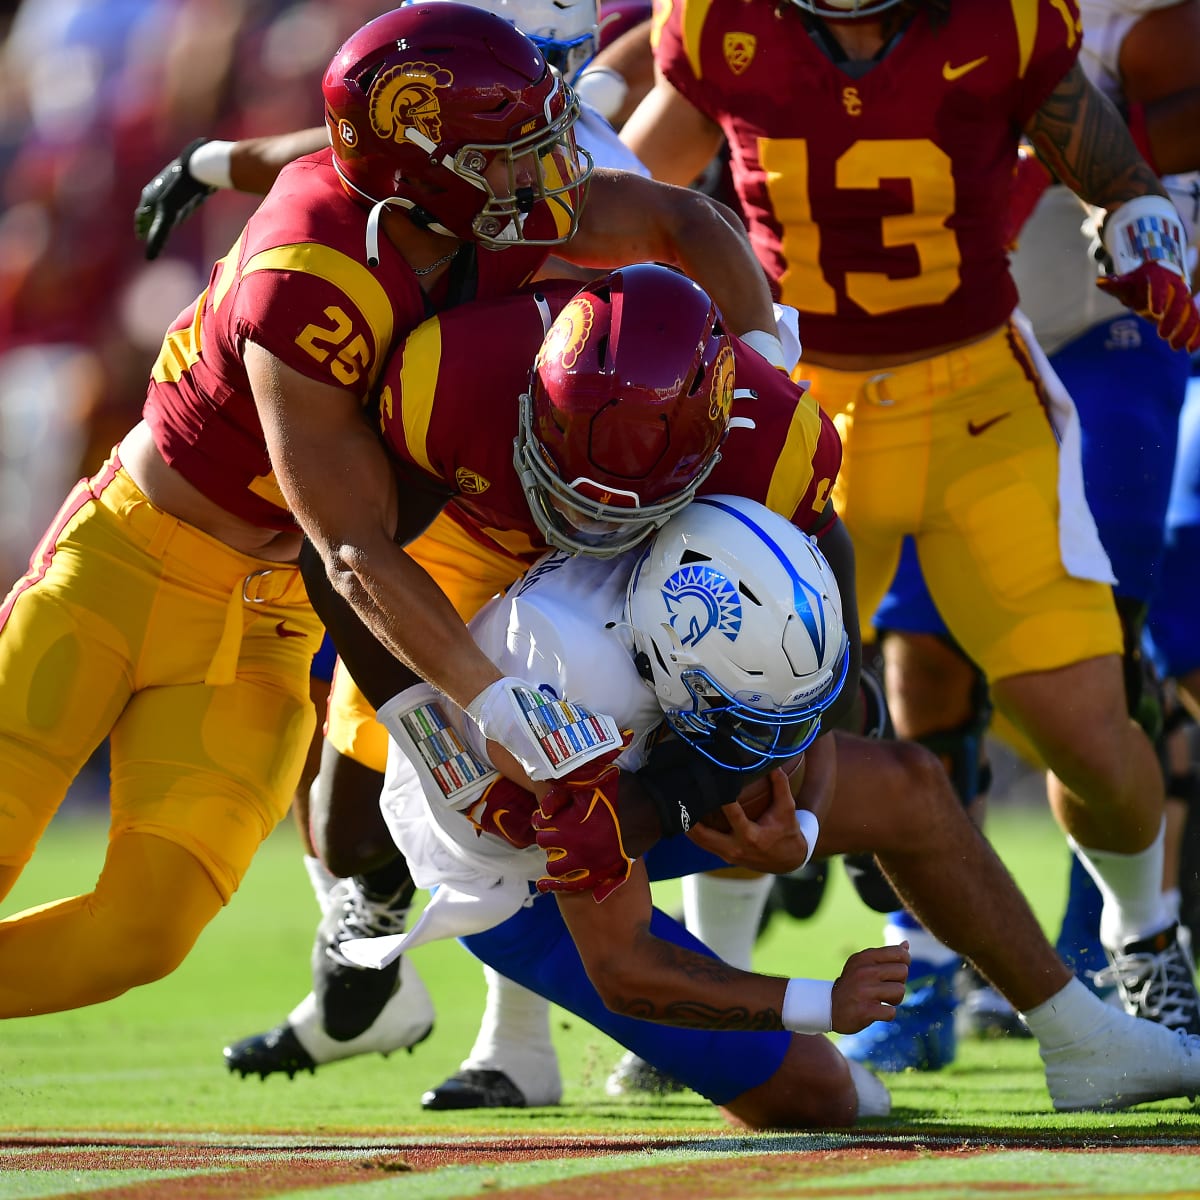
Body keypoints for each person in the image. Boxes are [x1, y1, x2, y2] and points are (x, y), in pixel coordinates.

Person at [0, 3, 785, 1018]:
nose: (535, 176)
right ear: (418, 167)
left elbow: (683, 222)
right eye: (503, 155)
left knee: (145, 933)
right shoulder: (311, 275)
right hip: (127, 567)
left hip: (270, 610)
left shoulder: (482, 204)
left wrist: (771, 358)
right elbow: (354, 547)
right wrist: (492, 699)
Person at [616, 0, 1200, 1073]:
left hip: (978, 398)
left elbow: (1112, 170)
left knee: (1084, 726)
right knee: (746, 708)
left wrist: (1141, 226)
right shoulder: (718, 23)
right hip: (797, 406)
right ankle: (715, 992)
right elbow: (634, 180)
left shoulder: (1005, 18)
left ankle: (1141, 936)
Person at [331, 491, 1200, 1120]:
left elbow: (818, 696)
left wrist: (806, 823)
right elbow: (626, 964)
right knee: (833, 1097)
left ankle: (1084, 1040)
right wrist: (817, 1000)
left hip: (629, 752)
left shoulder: (725, 518)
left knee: (906, 784)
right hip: (527, 867)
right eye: (747, 719)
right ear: (675, 681)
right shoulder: (567, 720)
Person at [220, 260, 844, 1102]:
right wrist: (453, 742)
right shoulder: (454, 373)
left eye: (614, 495)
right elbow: (341, 559)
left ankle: (533, 1038)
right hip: (479, 525)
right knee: (357, 834)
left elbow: (824, 622)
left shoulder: (774, 438)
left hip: (654, 572)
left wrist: (687, 799)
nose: (588, 514)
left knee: (761, 725)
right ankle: (510, 1030)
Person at [826, 0, 1200, 1067]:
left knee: (1093, 674)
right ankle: (927, 960)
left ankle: (1139, 937)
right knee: (923, 674)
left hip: (1097, 329)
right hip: (920, 357)